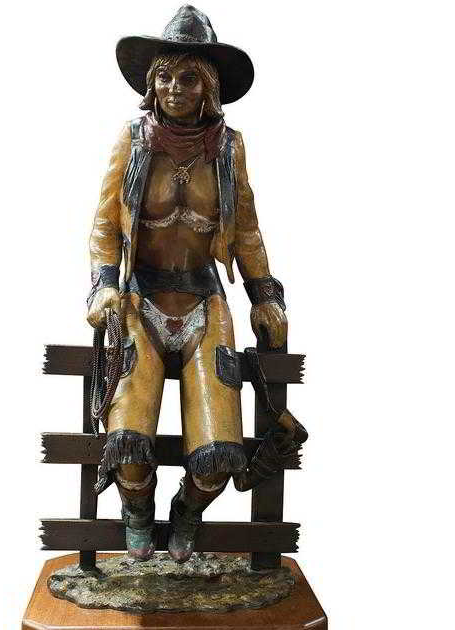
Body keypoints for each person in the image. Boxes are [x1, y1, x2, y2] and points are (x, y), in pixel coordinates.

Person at [86, 6, 287, 563]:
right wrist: (103, 285)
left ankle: (187, 511)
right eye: (166, 77)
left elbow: (245, 228)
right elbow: (105, 224)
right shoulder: (134, 140)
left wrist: (264, 294)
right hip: (141, 299)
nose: (175, 89)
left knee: (219, 454)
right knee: (128, 445)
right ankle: (136, 512)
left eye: (189, 78)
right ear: (151, 85)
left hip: (204, 300)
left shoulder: (228, 147)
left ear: (210, 88)